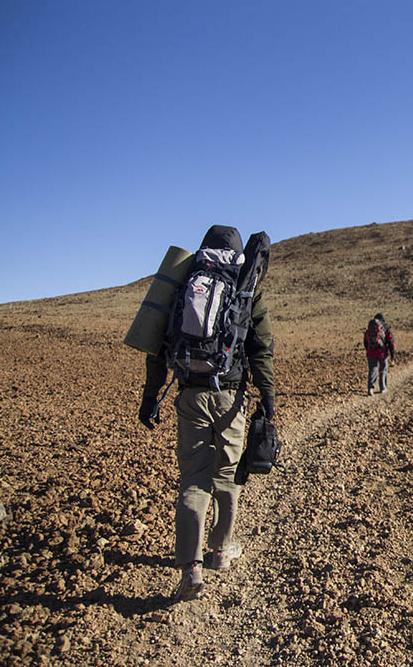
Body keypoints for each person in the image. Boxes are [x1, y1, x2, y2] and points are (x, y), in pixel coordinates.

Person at [137, 225, 275, 601]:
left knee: (193, 480)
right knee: (227, 476)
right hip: (230, 399)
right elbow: (261, 350)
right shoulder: (246, 291)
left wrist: (151, 398)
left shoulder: (183, 288)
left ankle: (191, 568)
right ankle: (220, 551)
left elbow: (157, 350)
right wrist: (268, 397)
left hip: (190, 397)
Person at [364, 312, 395, 395]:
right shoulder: (385, 328)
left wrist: (369, 350)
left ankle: (370, 388)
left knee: (372, 369)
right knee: (383, 369)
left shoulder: (370, 328)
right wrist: (392, 355)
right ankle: (383, 388)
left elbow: (365, 341)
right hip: (382, 353)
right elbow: (391, 342)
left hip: (371, 352)